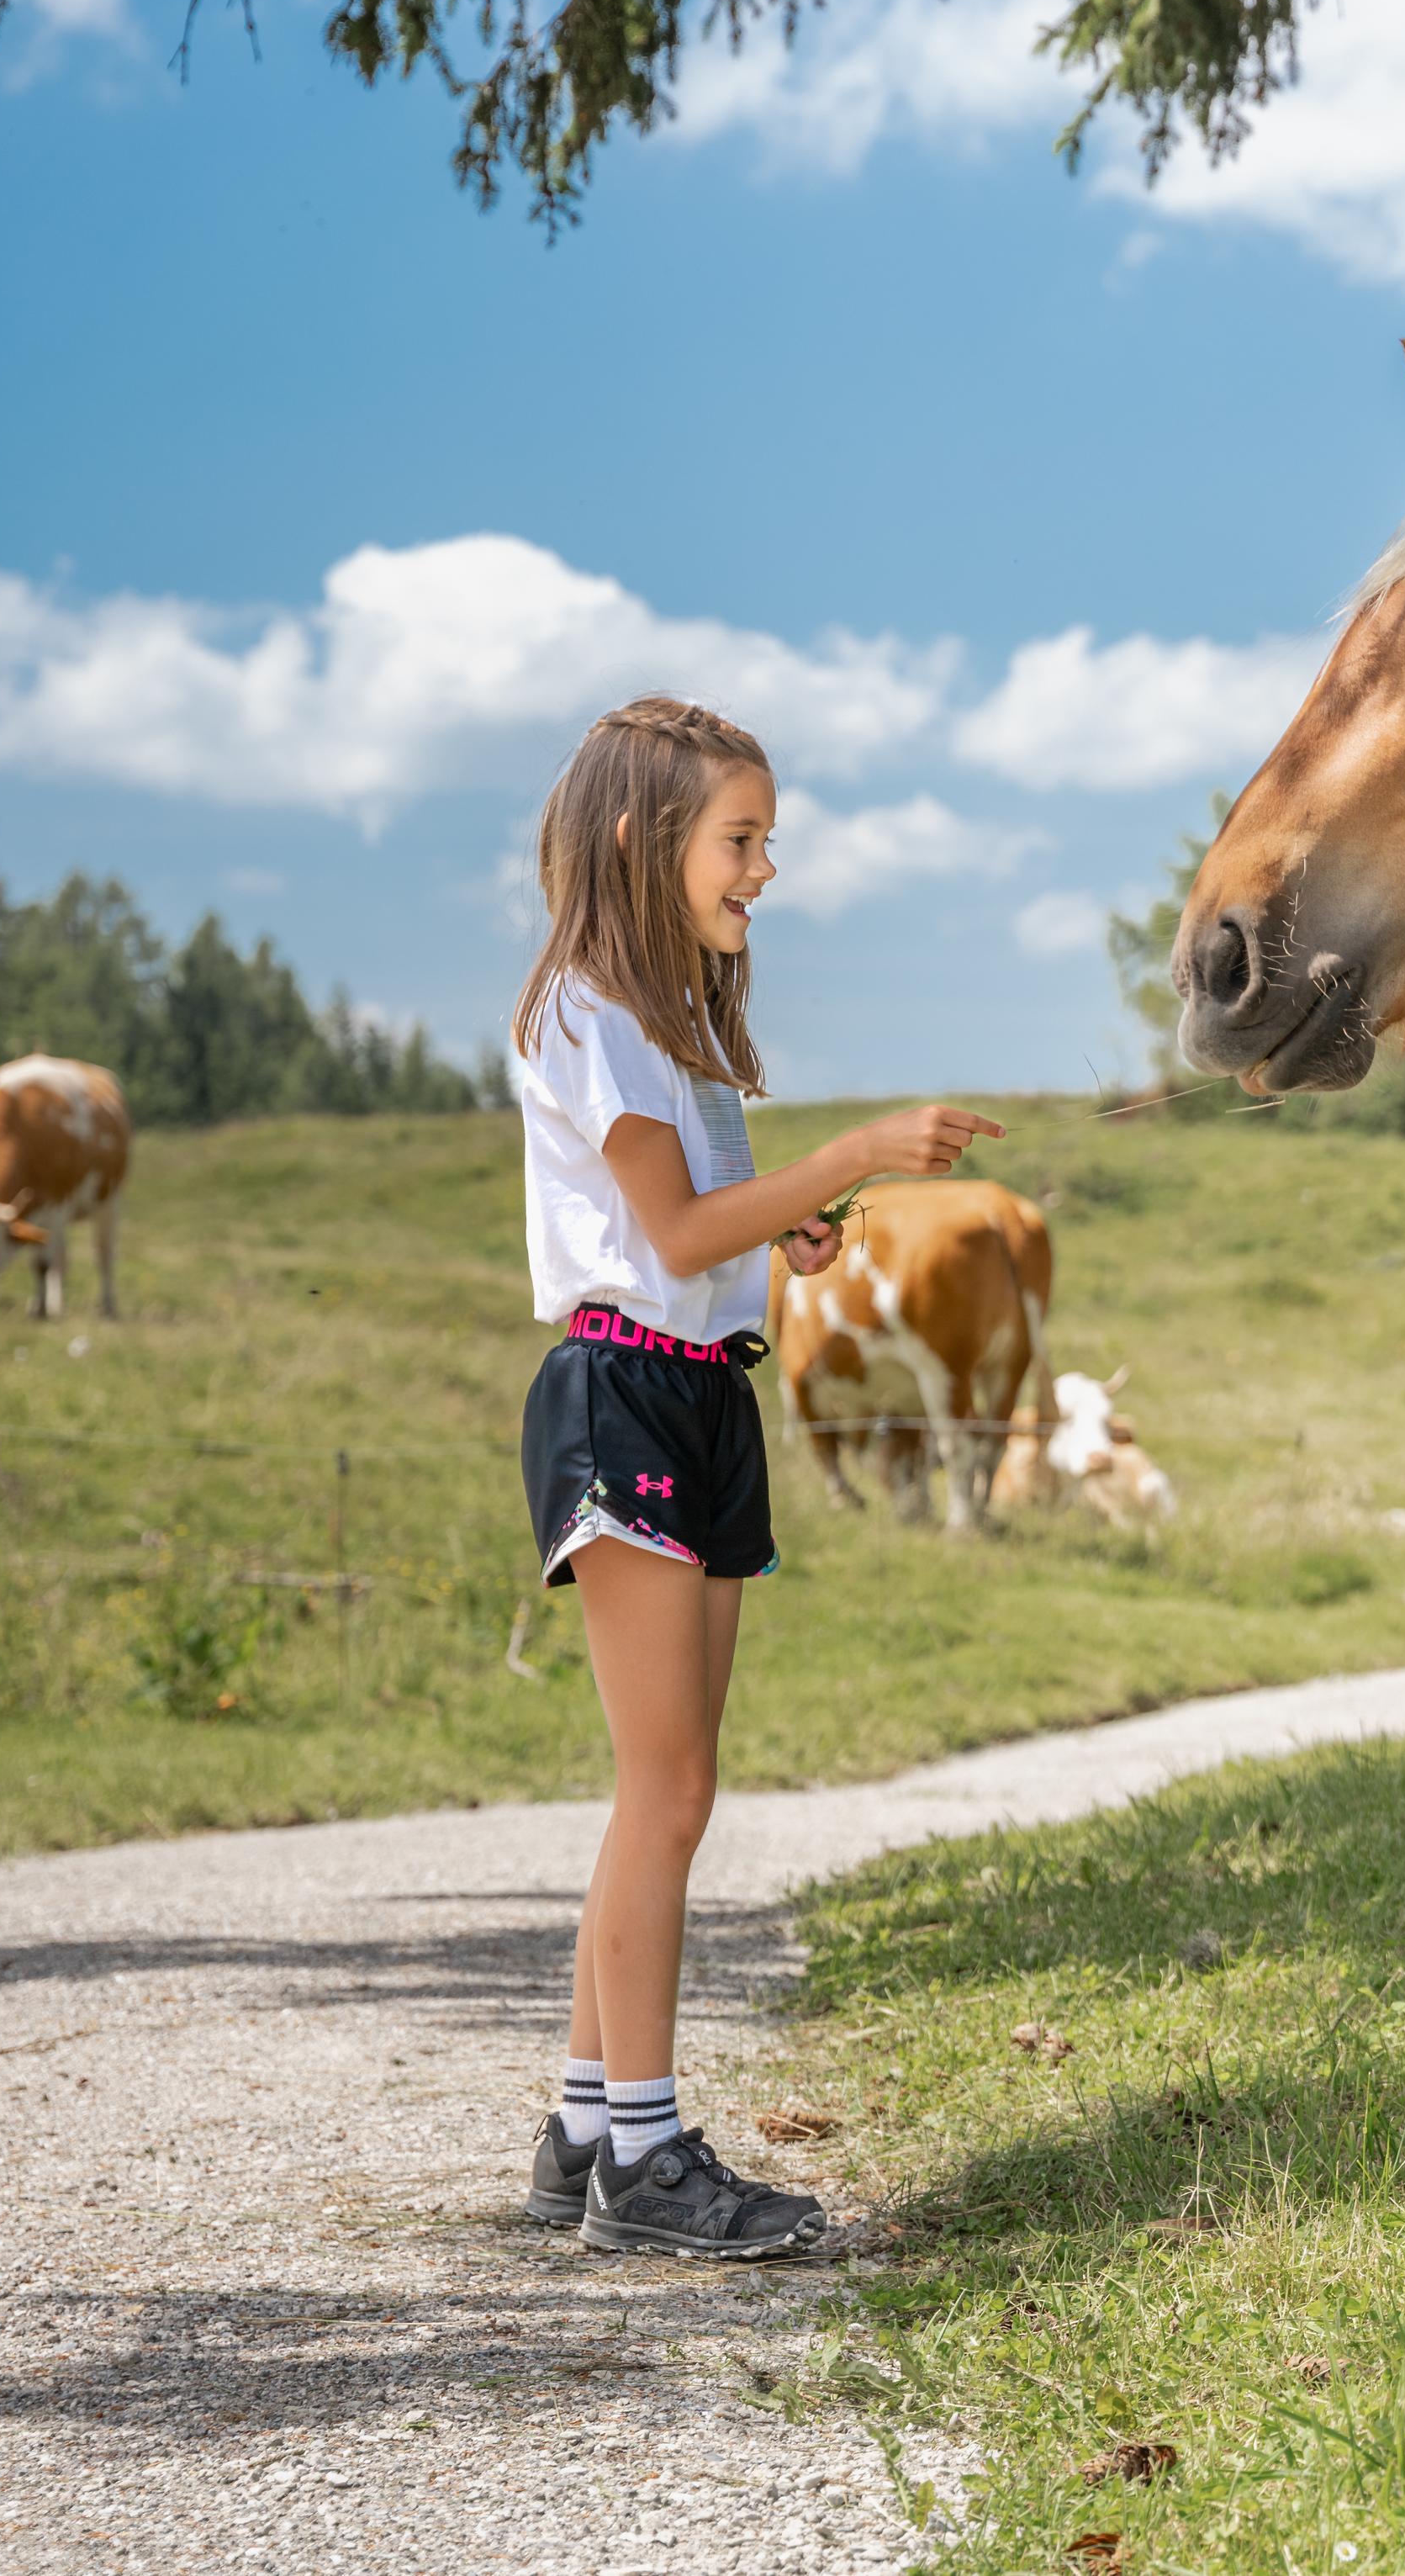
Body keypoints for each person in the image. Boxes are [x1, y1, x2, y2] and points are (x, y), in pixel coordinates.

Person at [504, 696, 1002, 2258]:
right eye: (741, 838)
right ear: (645, 838)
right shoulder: (589, 1006)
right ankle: (647, 2163)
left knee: (668, 1785)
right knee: (671, 1789)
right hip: (623, 1395)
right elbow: (665, 1238)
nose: (764, 869)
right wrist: (851, 1153)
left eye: (767, 840)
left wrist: (782, 1226)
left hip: (706, 1391)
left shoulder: (677, 1030)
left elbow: (702, 1224)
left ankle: (585, 2128)